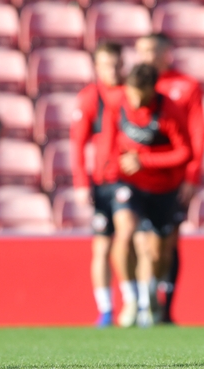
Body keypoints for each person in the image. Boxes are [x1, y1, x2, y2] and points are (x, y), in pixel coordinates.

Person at [101, 63, 192, 328]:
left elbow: (184, 153)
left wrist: (144, 160)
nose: (134, 99)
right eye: (131, 92)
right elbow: (109, 140)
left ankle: (150, 298)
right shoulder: (118, 103)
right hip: (128, 185)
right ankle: (131, 299)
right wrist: (110, 169)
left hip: (163, 189)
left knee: (157, 253)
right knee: (125, 232)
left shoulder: (169, 111)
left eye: (139, 93)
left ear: (152, 89)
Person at [134, 33, 204, 324]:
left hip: (174, 177)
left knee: (168, 242)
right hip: (139, 180)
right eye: (141, 51)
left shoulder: (186, 86)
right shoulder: (135, 85)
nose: (146, 56)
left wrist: (192, 175)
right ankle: (140, 302)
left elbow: (198, 133)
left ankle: (166, 306)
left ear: (167, 53)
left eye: (151, 50)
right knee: (140, 241)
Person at [69, 42, 132, 328]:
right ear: (97, 67)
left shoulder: (131, 93)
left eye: (116, 64)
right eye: (106, 64)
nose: (113, 70)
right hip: (99, 182)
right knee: (102, 247)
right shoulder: (90, 97)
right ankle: (106, 308)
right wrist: (81, 183)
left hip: (127, 180)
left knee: (126, 235)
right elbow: (77, 144)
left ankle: (133, 300)